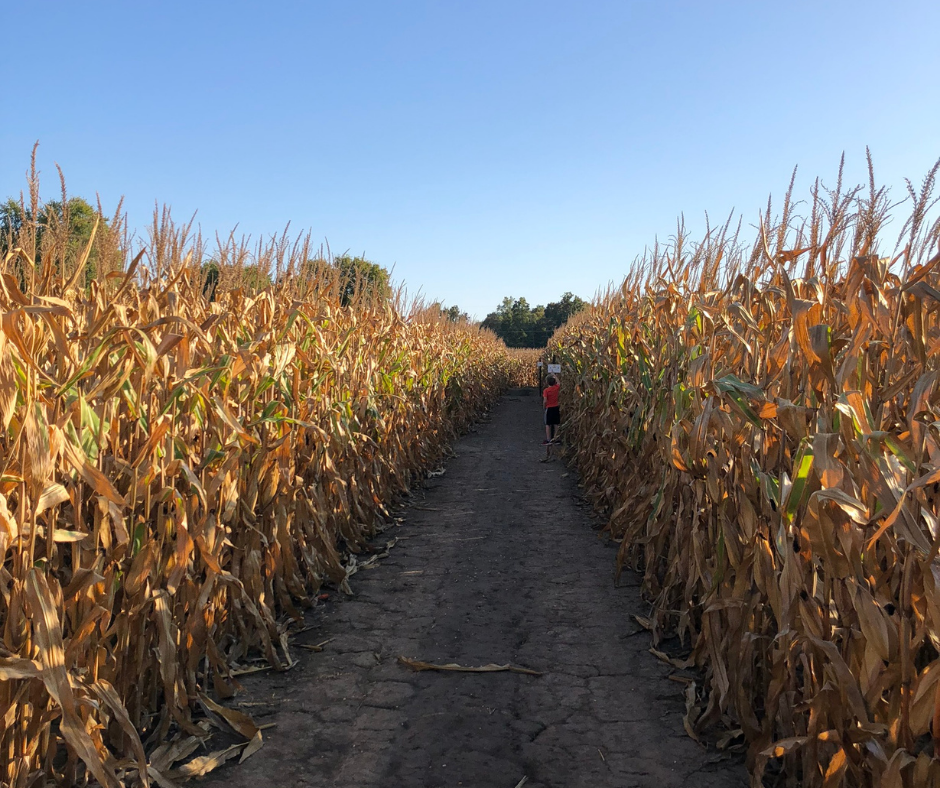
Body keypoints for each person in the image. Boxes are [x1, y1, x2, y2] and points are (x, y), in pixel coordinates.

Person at [542, 374, 561, 445]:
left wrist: (544, 406)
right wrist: (555, 376)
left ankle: (548, 439)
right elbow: (559, 383)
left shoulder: (546, 390)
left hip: (549, 408)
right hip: (556, 407)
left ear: (547, 382)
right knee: (556, 423)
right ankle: (556, 439)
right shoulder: (556, 388)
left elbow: (545, 400)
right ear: (554, 382)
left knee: (548, 424)